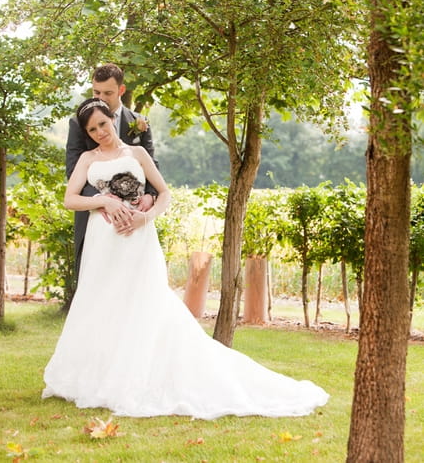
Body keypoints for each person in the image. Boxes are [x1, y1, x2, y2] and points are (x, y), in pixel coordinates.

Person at [42, 98, 329, 419]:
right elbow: (70, 199)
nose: (99, 132)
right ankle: (100, 375)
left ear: (112, 119)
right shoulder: (86, 159)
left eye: (103, 124)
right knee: (104, 302)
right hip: (102, 241)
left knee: (142, 301)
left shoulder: (136, 154)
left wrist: (144, 219)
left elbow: (164, 194)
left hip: (137, 239)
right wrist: (103, 203)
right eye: (92, 129)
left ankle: (142, 374)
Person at [66, 63, 158, 278]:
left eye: (108, 93)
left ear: (121, 91)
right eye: (96, 92)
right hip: (97, 216)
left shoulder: (139, 122)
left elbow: (151, 163)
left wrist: (150, 195)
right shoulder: (78, 122)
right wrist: (103, 200)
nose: (101, 97)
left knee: (137, 280)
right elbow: (73, 169)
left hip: (136, 216)